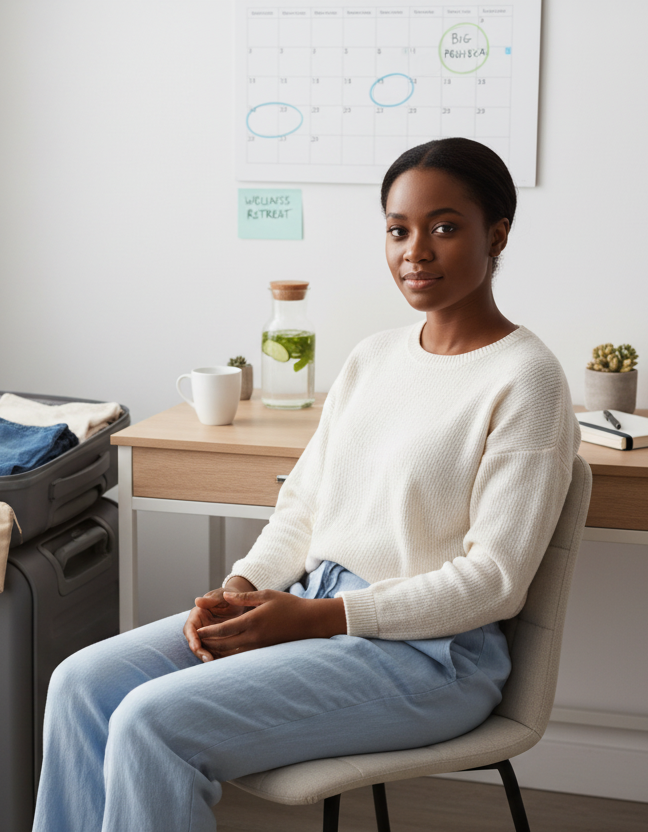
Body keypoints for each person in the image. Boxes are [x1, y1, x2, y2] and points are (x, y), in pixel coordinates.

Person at [31, 137, 581, 832]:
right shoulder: (372, 358)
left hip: (434, 658)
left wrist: (322, 619)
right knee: (81, 685)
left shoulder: (526, 377)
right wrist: (239, 588)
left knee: (151, 721)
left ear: (495, 234)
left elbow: (495, 581)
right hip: (309, 607)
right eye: (398, 230)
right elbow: (307, 506)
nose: (416, 250)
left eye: (444, 227)